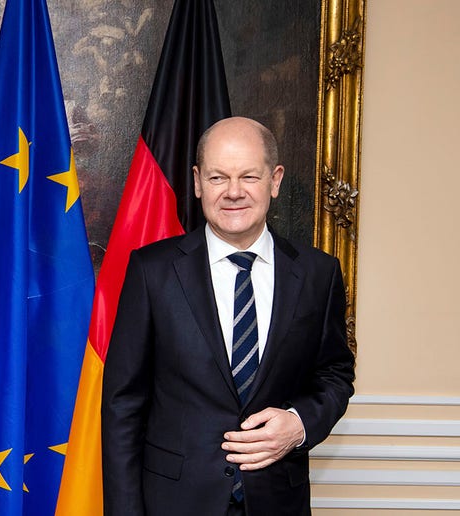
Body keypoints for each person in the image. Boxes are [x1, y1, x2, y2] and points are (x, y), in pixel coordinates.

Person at [101, 117, 355, 516]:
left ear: (275, 180)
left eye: (249, 177)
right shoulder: (153, 271)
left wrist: (299, 423)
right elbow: (122, 405)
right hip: (174, 503)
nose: (234, 192)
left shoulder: (317, 274)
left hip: (277, 501)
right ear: (198, 182)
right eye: (219, 178)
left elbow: (335, 375)